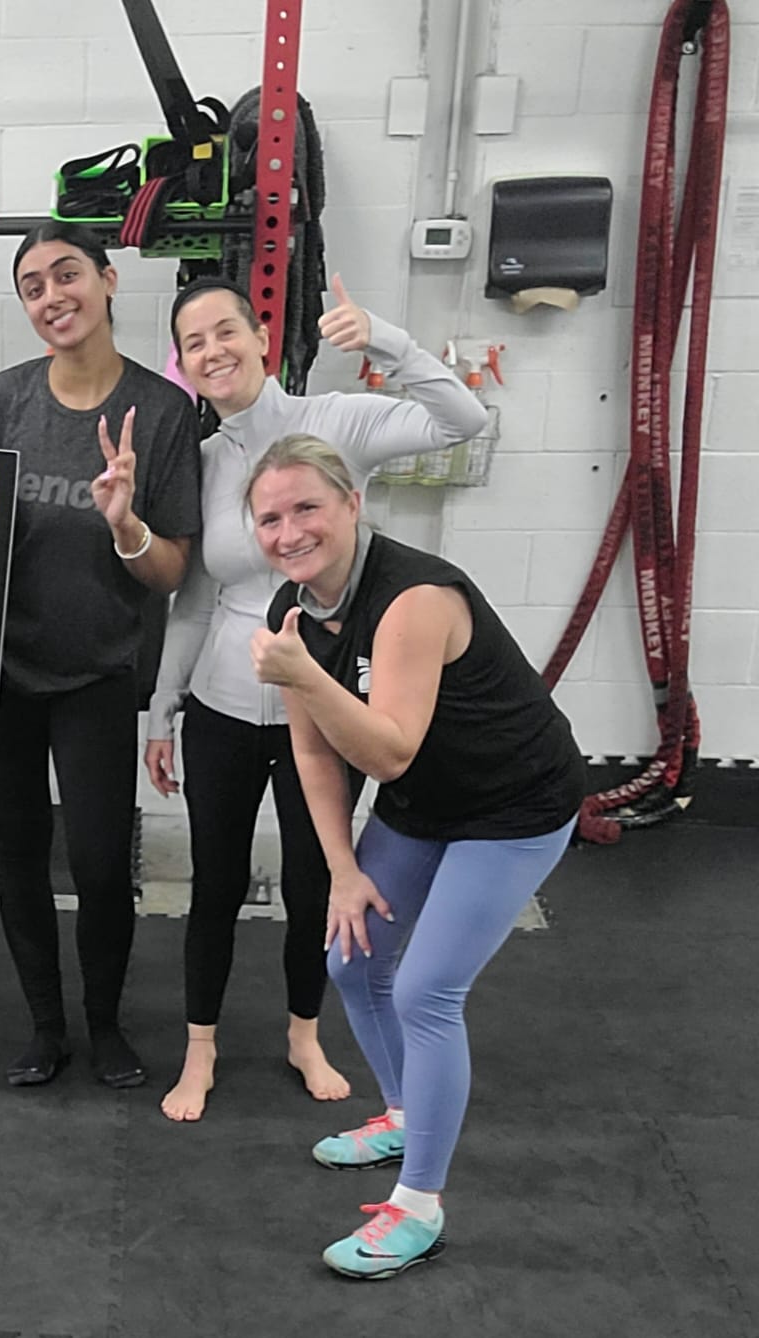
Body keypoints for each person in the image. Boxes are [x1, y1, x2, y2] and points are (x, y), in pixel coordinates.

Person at [147, 276, 489, 1122]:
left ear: (261, 335)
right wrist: (162, 704)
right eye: (194, 342)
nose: (213, 351)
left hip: (328, 703)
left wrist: (384, 339)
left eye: (226, 330)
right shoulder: (202, 461)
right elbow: (190, 598)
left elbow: (464, 421)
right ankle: (201, 1048)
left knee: (315, 882)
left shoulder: (335, 421)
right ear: (184, 364)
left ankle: (305, 1032)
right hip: (225, 707)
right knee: (215, 883)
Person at [244, 434, 582, 1278]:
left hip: (515, 805)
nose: (290, 532)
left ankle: (420, 1205)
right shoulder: (291, 613)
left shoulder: (414, 599)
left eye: (307, 508)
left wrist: (302, 674)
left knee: (429, 988)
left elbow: (387, 750)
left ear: (353, 504)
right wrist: (343, 874)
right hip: (424, 806)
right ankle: (405, 1111)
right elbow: (317, 755)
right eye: (270, 518)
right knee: (352, 958)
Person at [0, 221, 202, 1089]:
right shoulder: (4, 398)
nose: (53, 296)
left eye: (67, 274)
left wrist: (126, 526)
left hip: (95, 673)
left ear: (110, 280)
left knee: (94, 860)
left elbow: (171, 572)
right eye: (33, 286)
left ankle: (106, 1025)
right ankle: (46, 1027)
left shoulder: (161, 413)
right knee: (17, 852)